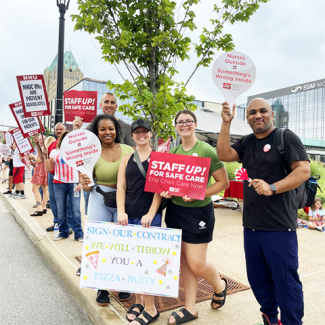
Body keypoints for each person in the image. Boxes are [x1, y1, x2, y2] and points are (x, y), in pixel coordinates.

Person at [217, 99, 310, 325]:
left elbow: (304, 170)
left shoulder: (285, 137)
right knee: (258, 280)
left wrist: (273, 187)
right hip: (251, 225)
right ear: (247, 118)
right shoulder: (248, 142)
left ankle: (291, 322)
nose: (257, 116)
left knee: (286, 283)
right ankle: (270, 318)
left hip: (280, 226)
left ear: (272, 115)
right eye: (252, 113)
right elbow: (224, 154)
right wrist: (226, 123)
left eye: (262, 111)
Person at [161, 109, 229, 325]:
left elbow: (223, 184)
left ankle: (219, 286)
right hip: (175, 211)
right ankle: (190, 308)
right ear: (176, 126)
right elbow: (169, 183)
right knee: (183, 262)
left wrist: (199, 193)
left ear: (195, 124)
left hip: (199, 212)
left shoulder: (207, 150)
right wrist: (166, 191)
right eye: (180, 122)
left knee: (196, 264)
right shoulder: (173, 152)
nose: (184, 125)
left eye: (188, 121)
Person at [81, 114, 134, 304]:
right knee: (99, 244)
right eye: (102, 129)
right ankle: (101, 287)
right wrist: (85, 185)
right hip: (99, 199)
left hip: (124, 202)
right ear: (97, 132)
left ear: (116, 130)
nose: (107, 132)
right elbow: (87, 182)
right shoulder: (91, 153)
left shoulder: (128, 150)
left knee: (122, 246)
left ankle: (123, 283)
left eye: (110, 128)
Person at [117, 119, 162, 325]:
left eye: (145, 131)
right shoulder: (126, 159)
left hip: (149, 217)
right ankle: (139, 301)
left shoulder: (159, 158)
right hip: (129, 214)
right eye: (137, 132)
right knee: (133, 261)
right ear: (132, 136)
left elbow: (159, 189)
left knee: (149, 262)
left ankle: (151, 309)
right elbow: (121, 187)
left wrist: (151, 213)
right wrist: (120, 211)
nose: (141, 134)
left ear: (150, 134)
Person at [44, 131, 84, 241]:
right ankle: (63, 232)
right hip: (58, 183)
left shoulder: (77, 152)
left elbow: (81, 168)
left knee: (75, 209)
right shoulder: (55, 152)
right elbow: (49, 168)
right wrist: (45, 156)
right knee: (61, 209)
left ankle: (79, 234)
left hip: (74, 183)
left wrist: (80, 182)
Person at [44, 124, 73, 234]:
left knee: (67, 202)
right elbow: (46, 160)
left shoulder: (70, 144)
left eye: (61, 129)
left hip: (65, 177)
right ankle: (57, 222)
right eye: (57, 129)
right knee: (53, 200)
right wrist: (39, 147)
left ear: (65, 130)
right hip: (52, 176)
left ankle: (68, 225)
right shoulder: (52, 144)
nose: (59, 131)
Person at [29, 136, 49, 216]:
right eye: (40, 139)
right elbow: (41, 160)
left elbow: (40, 160)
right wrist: (34, 162)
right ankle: (43, 207)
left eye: (42, 139)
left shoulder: (43, 148)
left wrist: (33, 157)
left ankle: (39, 207)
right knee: (45, 188)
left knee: (35, 189)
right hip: (44, 168)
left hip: (41, 170)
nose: (40, 140)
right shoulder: (44, 147)